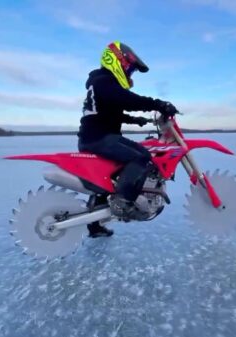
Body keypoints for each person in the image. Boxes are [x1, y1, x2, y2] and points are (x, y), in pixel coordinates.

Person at [78, 41, 179, 238]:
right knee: (141, 157)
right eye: (129, 68)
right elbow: (127, 100)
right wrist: (158, 104)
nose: (129, 73)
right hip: (100, 139)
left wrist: (136, 120)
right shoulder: (104, 80)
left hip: (94, 137)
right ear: (116, 60)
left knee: (108, 179)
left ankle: (95, 226)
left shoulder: (99, 82)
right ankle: (124, 201)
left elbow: (110, 112)